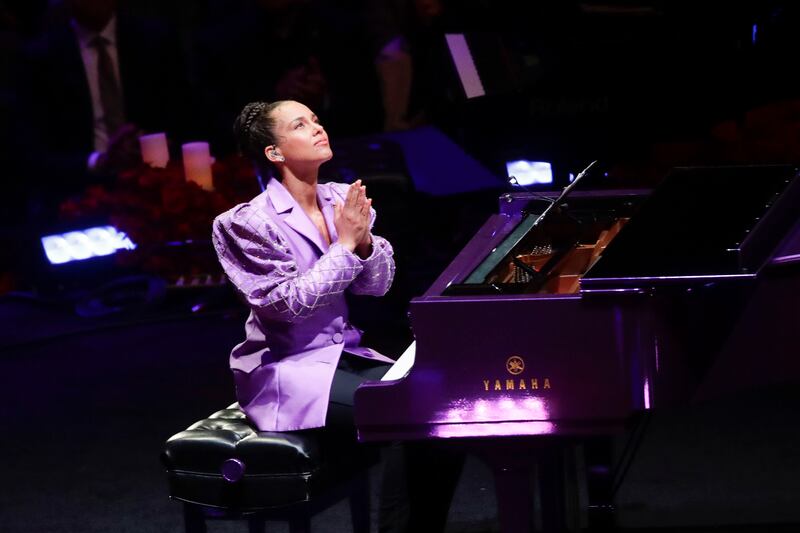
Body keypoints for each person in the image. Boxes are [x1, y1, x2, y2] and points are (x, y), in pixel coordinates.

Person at [213, 100, 463, 532]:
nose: (317, 127)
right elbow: (287, 306)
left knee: (449, 411)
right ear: (274, 152)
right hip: (286, 370)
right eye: (300, 124)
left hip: (343, 354)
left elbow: (376, 286)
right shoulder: (244, 223)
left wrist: (364, 244)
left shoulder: (338, 199)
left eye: (315, 119)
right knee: (408, 413)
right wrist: (346, 246)